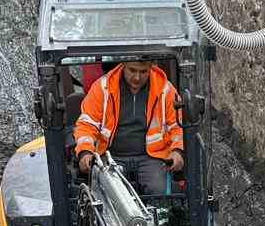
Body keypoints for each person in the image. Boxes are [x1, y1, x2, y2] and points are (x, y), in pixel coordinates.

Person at [74, 60, 184, 196]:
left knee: (160, 193)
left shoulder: (166, 90)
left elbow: (178, 127)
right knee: (111, 198)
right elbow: (87, 124)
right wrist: (85, 152)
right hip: (111, 156)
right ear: (123, 65)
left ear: (151, 67)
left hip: (152, 157)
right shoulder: (103, 87)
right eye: (132, 70)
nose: (137, 77)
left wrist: (177, 151)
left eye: (143, 72)